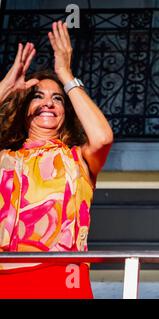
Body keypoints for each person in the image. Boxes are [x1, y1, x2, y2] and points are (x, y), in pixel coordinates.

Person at [0, 21, 113, 299]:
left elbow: (102, 138)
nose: (48, 103)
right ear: (24, 106)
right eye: (37, 97)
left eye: (58, 99)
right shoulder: (5, 156)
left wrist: (66, 75)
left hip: (62, 278)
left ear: (67, 109)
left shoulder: (79, 157)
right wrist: (4, 88)